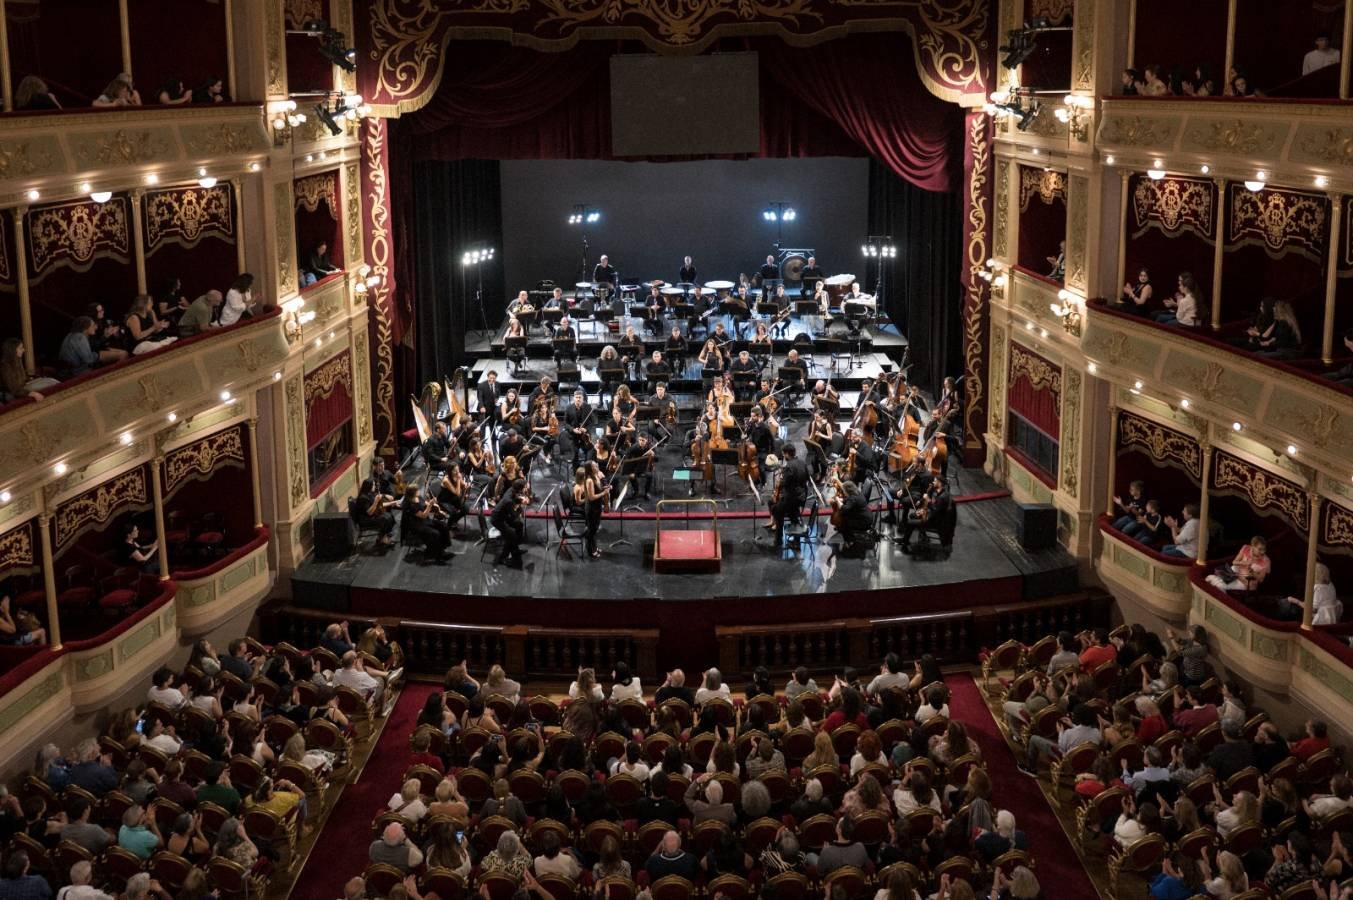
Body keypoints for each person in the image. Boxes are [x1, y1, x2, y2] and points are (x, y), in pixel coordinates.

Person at [491, 488, 527, 567]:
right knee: (511, 535)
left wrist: (520, 501)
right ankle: (502, 558)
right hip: (498, 521)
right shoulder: (509, 501)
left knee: (519, 524)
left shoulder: (511, 490)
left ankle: (515, 549)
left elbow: (515, 502)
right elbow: (514, 515)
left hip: (503, 517)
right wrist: (520, 506)